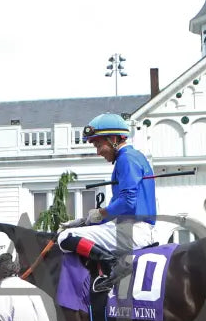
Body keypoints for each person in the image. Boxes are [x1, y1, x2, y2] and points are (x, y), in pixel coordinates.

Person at [57, 113, 157, 292]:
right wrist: (84, 221)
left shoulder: (126, 159)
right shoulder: (131, 157)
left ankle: (111, 266)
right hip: (131, 228)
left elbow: (128, 201)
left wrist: (100, 214)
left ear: (113, 139)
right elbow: (116, 207)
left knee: (66, 237)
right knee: (74, 232)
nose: (98, 152)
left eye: (98, 145)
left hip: (132, 231)